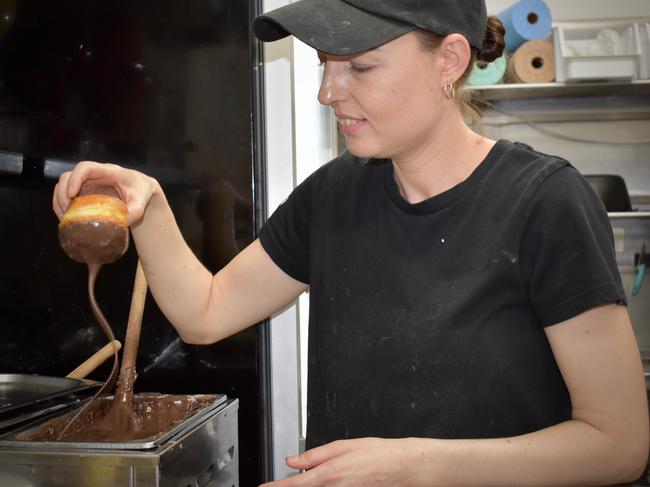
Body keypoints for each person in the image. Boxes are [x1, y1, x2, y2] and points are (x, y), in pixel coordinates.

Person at [53, 0, 649, 485]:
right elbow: (206, 315)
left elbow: (618, 444)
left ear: (449, 59)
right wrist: (149, 206)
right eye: (323, 65)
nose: (327, 93)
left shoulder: (544, 202)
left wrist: (415, 466)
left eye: (360, 67)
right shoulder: (333, 195)